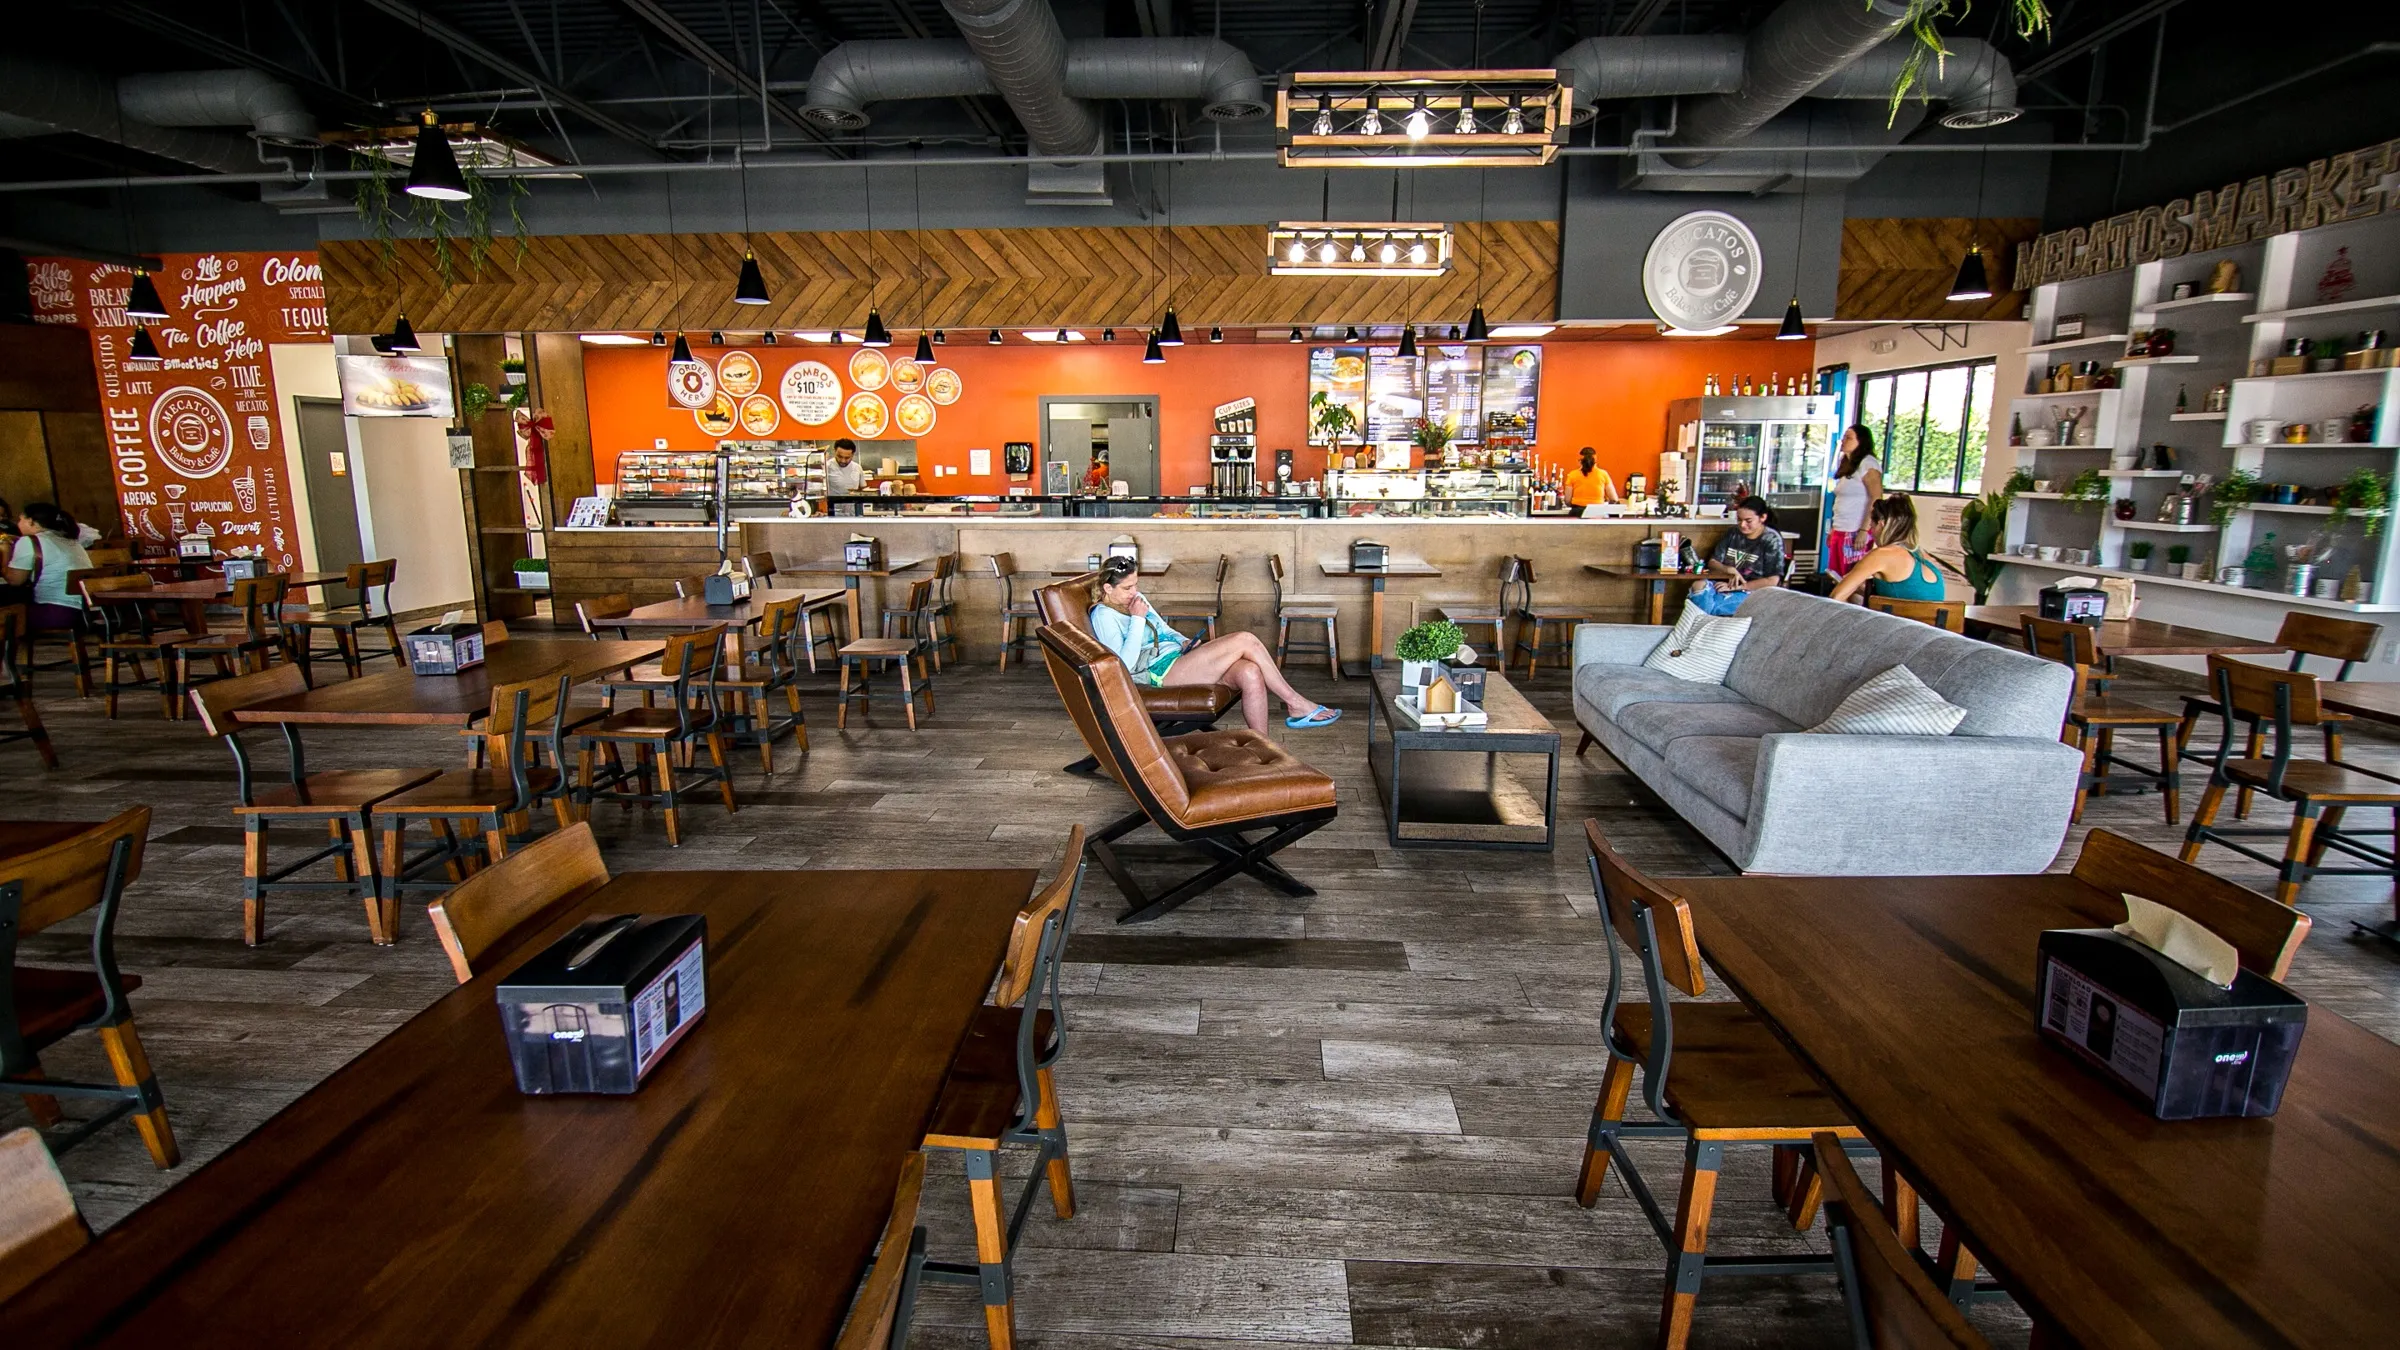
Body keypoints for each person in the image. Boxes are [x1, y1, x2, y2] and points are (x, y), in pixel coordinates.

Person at [1087, 555, 1339, 731]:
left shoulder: (1135, 599)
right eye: (1127, 588)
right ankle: (1295, 703)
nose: (1134, 592)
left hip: (1177, 657)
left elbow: (1164, 630)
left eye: (1136, 585)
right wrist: (1137, 620)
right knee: (1245, 640)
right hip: (1156, 672)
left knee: (1250, 672)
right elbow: (1125, 664)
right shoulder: (1103, 615)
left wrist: (1184, 640)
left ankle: (1263, 747)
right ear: (1108, 588)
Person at [1829, 494, 1945, 603]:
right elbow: (1910, 593)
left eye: (1871, 526)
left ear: (1881, 524)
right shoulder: (1923, 555)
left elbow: (1836, 597)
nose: (1872, 533)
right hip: (1927, 623)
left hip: (1900, 623)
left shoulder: (1881, 554)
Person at [1686, 496, 1785, 616]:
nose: (1742, 525)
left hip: (1753, 591)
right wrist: (1728, 569)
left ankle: (1702, 619)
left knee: (1708, 605)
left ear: (1762, 517)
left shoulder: (1771, 539)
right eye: (1739, 520)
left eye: (1748, 521)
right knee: (1698, 585)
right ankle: (1706, 619)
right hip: (1723, 586)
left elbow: (1772, 581)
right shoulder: (1733, 533)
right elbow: (1713, 562)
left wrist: (1741, 587)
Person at [3, 502, 93, 632]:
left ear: (31, 522)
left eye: (20, 519)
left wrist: (5, 550)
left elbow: (14, 580)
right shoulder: (69, 540)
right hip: (86, 612)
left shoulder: (30, 541)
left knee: (6, 616)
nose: (18, 524)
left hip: (57, 614)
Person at [1826, 424, 1884, 575]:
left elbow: (1876, 497)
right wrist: (1834, 529)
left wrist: (1864, 530)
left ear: (1861, 442)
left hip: (1856, 529)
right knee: (1835, 575)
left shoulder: (1868, 463)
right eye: (1844, 437)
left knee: (1849, 577)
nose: (1844, 441)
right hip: (1841, 527)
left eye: (1849, 438)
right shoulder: (1847, 463)